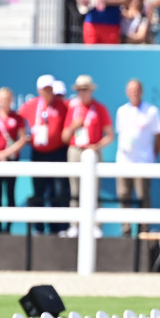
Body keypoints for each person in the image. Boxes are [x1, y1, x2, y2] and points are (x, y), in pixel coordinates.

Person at [60, 75, 113, 238]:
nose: (82, 93)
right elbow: (64, 137)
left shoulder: (100, 108)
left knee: (94, 188)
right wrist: (73, 126)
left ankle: (95, 225)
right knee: (75, 189)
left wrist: (96, 146)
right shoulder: (73, 109)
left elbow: (110, 135)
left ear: (91, 90)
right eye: (79, 90)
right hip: (75, 150)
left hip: (93, 151)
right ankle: (74, 225)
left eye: (85, 90)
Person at [19, 74, 68, 236]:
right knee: (38, 191)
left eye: (49, 88)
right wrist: (24, 136)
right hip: (38, 153)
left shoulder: (62, 105)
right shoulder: (31, 105)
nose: (47, 92)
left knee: (58, 191)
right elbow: (17, 119)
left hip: (58, 153)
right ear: (39, 90)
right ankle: (39, 228)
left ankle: (59, 227)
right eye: (44, 89)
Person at [115, 79, 160, 237]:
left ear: (141, 91)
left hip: (143, 163)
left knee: (143, 196)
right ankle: (126, 230)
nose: (134, 93)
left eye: (136, 90)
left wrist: (150, 157)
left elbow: (159, 138)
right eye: (131, 90)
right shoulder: (121, 111)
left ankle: (144, 231)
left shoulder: (151, 111)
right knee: (123, 195)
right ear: (127, 92)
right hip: (124, 162)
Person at [0, 86, 27, 234]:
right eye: (2, 98)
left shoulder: (17, 118)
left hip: (11, 159)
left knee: (10, 192)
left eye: (7, 98)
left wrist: (7, 152)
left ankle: (8, 227)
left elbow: (23, 138)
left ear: (12, 100)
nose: (4, 101)